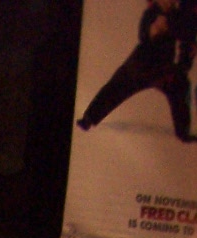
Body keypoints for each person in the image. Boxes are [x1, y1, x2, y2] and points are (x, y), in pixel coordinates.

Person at [76, 0, 197, 142]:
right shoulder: (152, 14)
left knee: (181, 90)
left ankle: (183, 132)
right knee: (115, 88)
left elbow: (187, 44)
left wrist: (182, 68)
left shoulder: (182, 18)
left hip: (165, 70)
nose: (168, 2)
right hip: (141, 66)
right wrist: (153, 30)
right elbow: (144, 35)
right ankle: (89, 118)